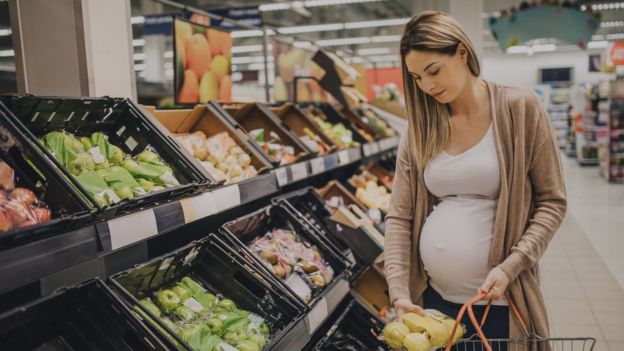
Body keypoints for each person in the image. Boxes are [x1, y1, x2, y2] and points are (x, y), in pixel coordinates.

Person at [384, 10, 566, 350]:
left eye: (434, 71)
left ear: (462, 53)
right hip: (433, 306)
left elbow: (552, 201)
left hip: (501, 303)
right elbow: (400, 215)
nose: (427, 86)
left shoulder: (519, 107)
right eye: (417, 77)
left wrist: (512, 266)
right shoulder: (421, 126)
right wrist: (399, 292)